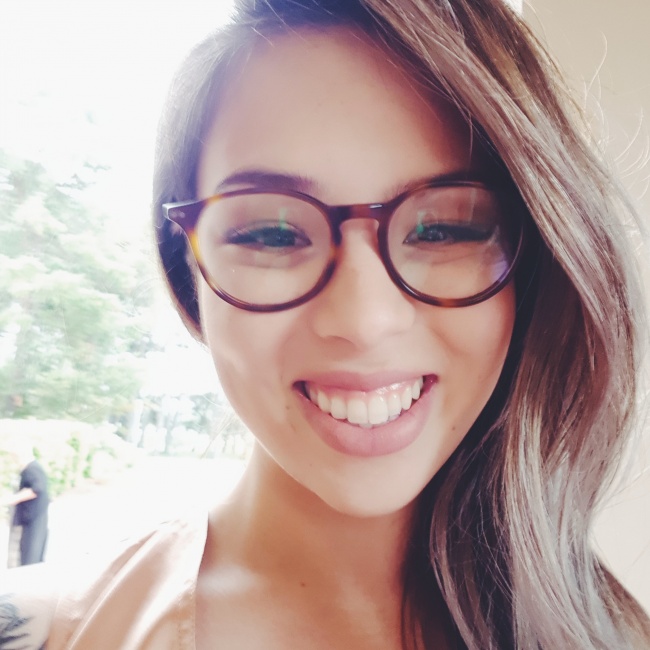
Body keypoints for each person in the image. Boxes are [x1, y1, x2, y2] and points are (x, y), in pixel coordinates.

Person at [2, 0, 650, 648]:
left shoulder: (613, 633)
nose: (365, 321)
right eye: (272, 233)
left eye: (445, 229)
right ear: (187, 270)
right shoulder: (51, 630)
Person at [5, 442, 49, 566]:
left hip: (32, 521)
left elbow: (37, 489)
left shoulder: (32, 469)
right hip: (31, 519)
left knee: (29, 556)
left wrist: (13, 498)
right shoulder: (29, 469)